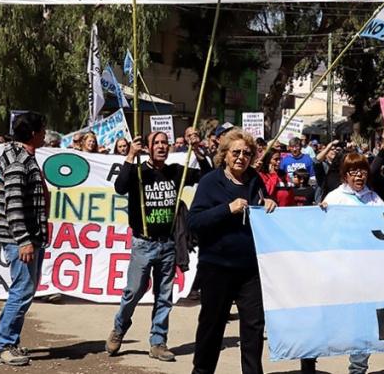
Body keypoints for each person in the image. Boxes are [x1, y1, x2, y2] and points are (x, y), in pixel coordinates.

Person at [105, 131, 211, 361]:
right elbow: (120, 188)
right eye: (156, 143)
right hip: (143, 244)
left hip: (169, 245)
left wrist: (198, 149)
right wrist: (131, 156)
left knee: (164, 296)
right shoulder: (138, 172)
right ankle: (119, 329)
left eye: (165, 143)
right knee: (132, 292)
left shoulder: (176, 172)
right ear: (148, 147)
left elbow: (208, 176)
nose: (161, 146)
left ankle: (158, 342)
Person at [188, 129, 277, 374]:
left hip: (250, 269)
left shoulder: (255, 180)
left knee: (254, 327)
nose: (241, 157)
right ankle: (202, 371)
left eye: (247, 153)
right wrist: (227, 209)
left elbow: (263, 209)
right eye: (235, 152)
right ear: (225, 155)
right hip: (217, 267)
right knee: (212, 326)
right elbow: (194, 221)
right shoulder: (211, 182)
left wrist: (269, 202)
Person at [316, 152, 384, 374]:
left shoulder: (374, 199)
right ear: (345, 175)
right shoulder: (334, 198)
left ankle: (358, 367)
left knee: (363, 321)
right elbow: (322, 230)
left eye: (362, 171)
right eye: (353, 171)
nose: (359, 176)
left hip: (367, 271)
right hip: (340, 269)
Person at [0, 112, 48, 366]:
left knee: (23, 289)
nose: (45, 133)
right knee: (22, 291)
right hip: (20, 240)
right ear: (34, 133)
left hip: (28, 237)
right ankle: (5, 346)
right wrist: (24, 239)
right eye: (43, 129)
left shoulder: (24, 157)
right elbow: (13, 206)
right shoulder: (18, 162)